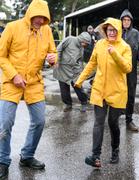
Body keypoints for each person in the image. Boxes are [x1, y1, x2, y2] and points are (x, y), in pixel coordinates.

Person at [0, 0, 57, 178]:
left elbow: (53, 51)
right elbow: (1, 56)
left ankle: (27, 155)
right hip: (11, 81)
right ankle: (2, 161)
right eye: (38, 17)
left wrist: (53, 58)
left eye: (44, 18)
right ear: (30, 14)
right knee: (5, 124)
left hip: (34, 82)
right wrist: (14, 76)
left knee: (39, 121)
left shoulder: (46, 30)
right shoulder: (12, 27)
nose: (41, 21)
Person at [75, 17, 132, 167]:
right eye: (108, 30)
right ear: (105, 31)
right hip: (100, 89)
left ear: (119, 30)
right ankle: (96, 156)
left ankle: (115, 150)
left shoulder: (125, 47)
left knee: (113, 123)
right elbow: (92, 63)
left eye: (114, 30)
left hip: (117, 91)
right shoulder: (99, 44)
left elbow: (127, 68)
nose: (111, 32)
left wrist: (115, 53)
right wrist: (80, 80)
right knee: (98, 123)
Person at [120, 9, 139, 132]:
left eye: (128, 20)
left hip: (131, 69)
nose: (126, 22)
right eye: (124, 20)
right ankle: (113, 117)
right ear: (121, 21)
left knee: (131, 94)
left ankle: (129, 120)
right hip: (117, 69)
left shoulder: (135, 33)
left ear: (131, 21)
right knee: (115, 92)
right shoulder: (117, 32)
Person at [53, 32, 91, 112]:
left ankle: (84, 102)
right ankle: (68, 104)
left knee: (78, 86)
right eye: (85, 42)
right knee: (64, 89)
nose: (85, 45)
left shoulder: (81, 47)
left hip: (74, 70)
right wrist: (57, 61)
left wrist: (80, 70)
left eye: (86, 44)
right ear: (81, 39)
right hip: (62, 69)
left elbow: (80, 60)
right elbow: (59, 49)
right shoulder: (69, 39)